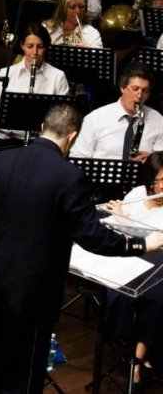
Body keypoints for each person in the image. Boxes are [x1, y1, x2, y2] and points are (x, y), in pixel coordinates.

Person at [0, 104, 163, 393]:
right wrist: (140, 243)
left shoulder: (1, 160)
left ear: (42, 127)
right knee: (25, 371)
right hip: (34, 287)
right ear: (72, 137)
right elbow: (91, 236)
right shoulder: (68, 175)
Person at [102, 152, 163, 388]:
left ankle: (137, 360)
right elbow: (120, 234)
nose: (159, 186)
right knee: (119, 296)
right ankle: (133, 352)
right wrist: (116, 216)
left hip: (158, 265)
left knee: (155, 300)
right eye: (155, 181)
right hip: (131, 260)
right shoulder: (137, 193)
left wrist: (123, 219)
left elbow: (154, 238)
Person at [0, 24, 70, 143]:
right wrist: (11, 124)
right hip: (7, 139)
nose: (35, 52)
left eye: (40, 46)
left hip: (41, 140)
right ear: (22, 46)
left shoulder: (58, 76)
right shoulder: (6, 73)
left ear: (46, 47)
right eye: (30, 46)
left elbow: (63, 116)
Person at [71, 62, 163, 160]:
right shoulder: (95, 118)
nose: (140, 96)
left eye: (145, 91)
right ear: (122, 87)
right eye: (135, 89)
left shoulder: (158, 120)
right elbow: (78, 157)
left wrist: (152, 159)